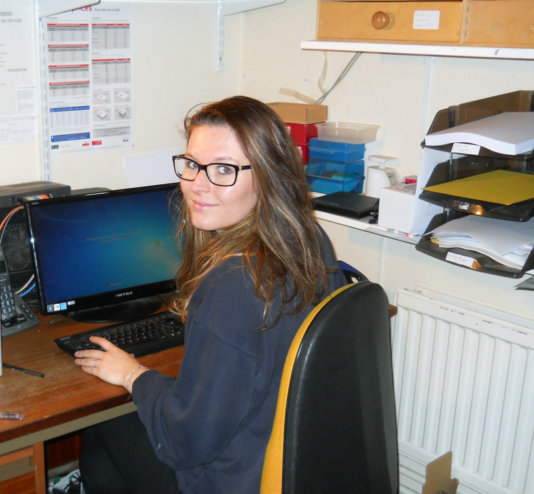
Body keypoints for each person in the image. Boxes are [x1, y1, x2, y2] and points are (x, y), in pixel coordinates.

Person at [74, 95, 346, 494]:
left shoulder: (233, 284)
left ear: (269, 175)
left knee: (101, 428)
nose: (196, 186)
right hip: (289, 459)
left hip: (227, 479)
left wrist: (132, 374)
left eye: (223, 169)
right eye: (191, 164)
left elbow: (187, 440)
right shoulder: (308, 239)